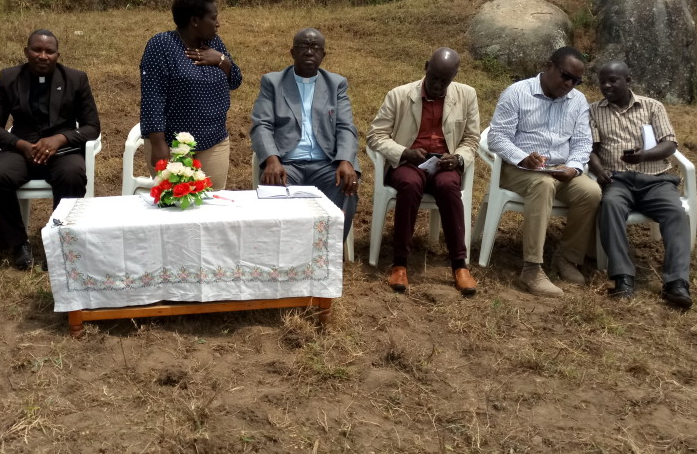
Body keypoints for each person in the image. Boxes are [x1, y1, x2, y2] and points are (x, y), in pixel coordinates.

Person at [487, 46, 601, 297]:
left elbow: (583, 143)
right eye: (565, 76)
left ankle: (566, 258)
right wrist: (522, 157)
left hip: (559, 170)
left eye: (576, 80)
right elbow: (497, 138)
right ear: (548, 66)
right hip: (519, 169)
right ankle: (532, 269)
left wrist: (574, 168)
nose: (570, 84)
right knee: (542, 185)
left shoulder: (578, 101)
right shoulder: (517, 93)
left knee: (591, 192)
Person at [0, 30, 100, 268]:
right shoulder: (9, 78)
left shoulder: (75, 79)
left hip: (62, 152)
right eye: (37, 50)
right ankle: (18, 244)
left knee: (73, 175)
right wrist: (20, 144)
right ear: (26, 52)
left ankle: (60, 242)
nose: (43, 56)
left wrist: (60, 139)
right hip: (22, 149)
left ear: (57, 55)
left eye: (49, 51)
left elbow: (92, 127)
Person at [366, 48, 480, 295]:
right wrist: (404, 152)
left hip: (443, 164)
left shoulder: (467, 95)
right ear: (426, 66)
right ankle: (399, 264)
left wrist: (458, 158)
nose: (438, 85)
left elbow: (472, 139)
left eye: (445, 81)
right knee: (409, 185)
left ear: (454, 77)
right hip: (408, 162)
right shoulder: (399, 95)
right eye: (434, 78)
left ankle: (460, 266)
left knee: (449, 187)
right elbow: (375, 135)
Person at [588, 60, 693, 309]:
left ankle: (676, 283)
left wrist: (643, 156)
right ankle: (623, 277)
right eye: (602, 81)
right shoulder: (593, 110)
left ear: (628, 81)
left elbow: (670, 144)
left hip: (655, 179)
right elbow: (590, 149)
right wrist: (599, 170)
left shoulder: (652, 107)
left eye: (613, 80)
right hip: (618, 180)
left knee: (675, 212)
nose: (606, 85)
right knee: (610, 205)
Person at [250, 28, 359, 239]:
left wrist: (345, 161)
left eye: (315, 47)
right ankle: (285, 256)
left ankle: (328, 255)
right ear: (292, 52)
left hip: (326, 164)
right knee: (273, 191)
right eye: (303, 46)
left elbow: (346, 126)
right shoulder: (273, 82)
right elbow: (261, 125)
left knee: (347, 188)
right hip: (286, 165)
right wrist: (272, 160)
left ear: (323, 55)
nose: (309, 52)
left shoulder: (336, 84)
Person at [140, 0, 242, 191]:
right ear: (195, 21)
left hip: (214, 140)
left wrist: (221, 60)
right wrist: (159, 145)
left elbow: (236, 81)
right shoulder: (161, 46)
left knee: (211, 205)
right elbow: (152, 98)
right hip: (173, 145)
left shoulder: (214, 44)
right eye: (213, 18)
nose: (218, 24)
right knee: (177, 208)